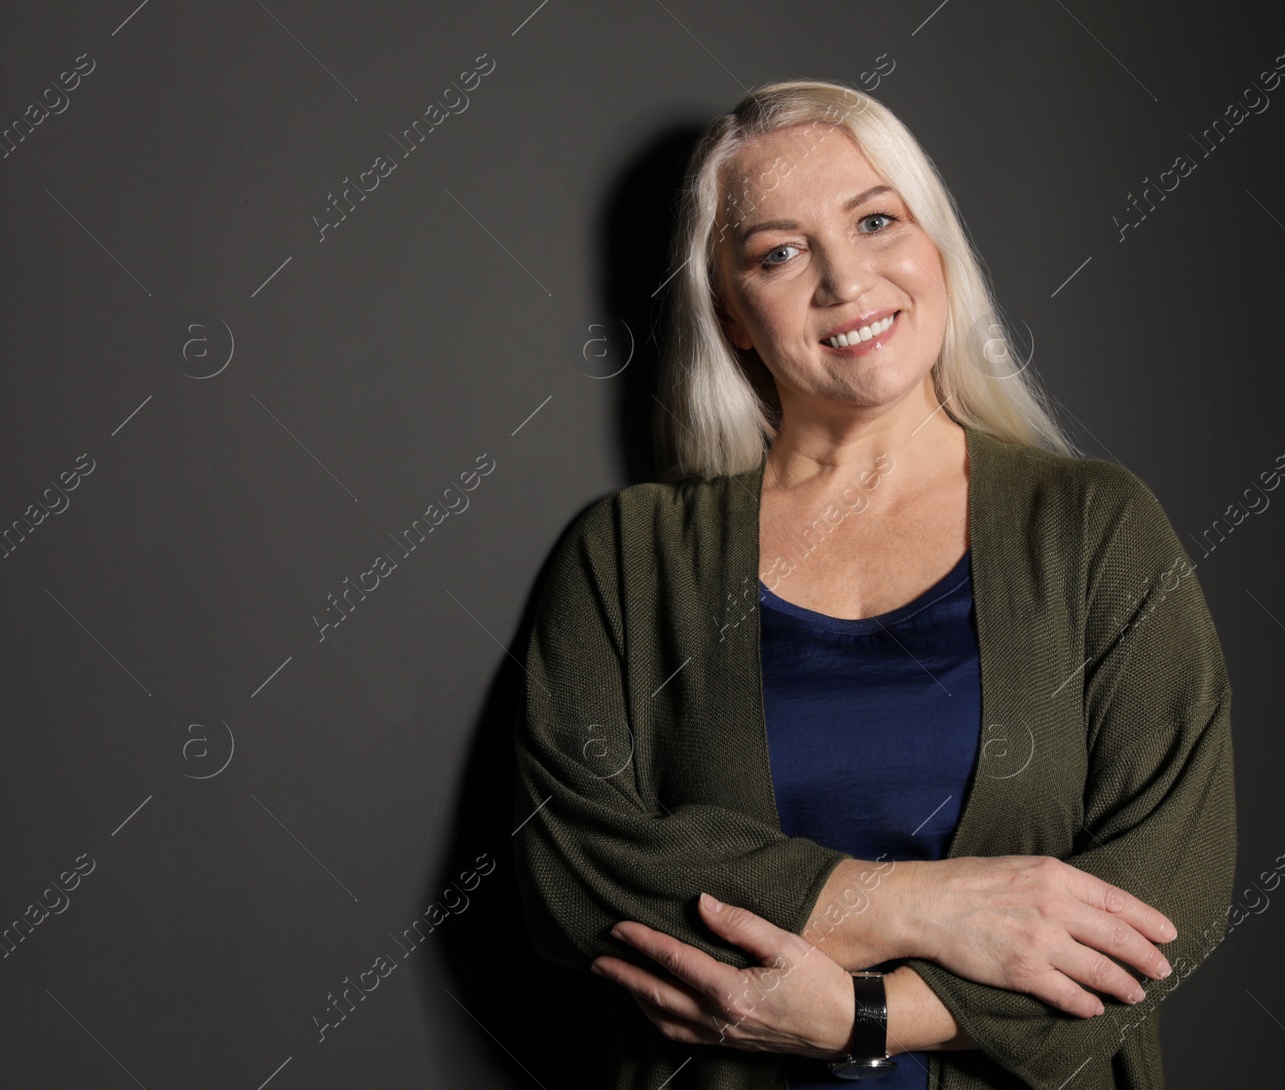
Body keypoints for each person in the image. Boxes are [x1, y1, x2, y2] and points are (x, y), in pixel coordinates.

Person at [513, 79, 1236, 1090]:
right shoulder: (630, 555)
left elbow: (1164, 891)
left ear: (933, 240)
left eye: (875, 220)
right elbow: (572, 864)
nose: (845, 280)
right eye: (779, 252)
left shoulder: (1093, 529)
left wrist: (862, 1016)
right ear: (732, 309)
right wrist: (910, 905)